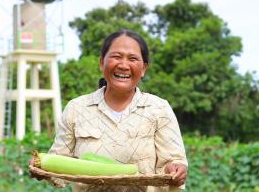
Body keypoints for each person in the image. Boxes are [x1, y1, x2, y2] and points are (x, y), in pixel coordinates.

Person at [32, 29, 188, 192]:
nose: (123, 65)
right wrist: (43, 168)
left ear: (143, 69)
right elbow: (59, 164)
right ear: (101, 63)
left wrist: (176, 170)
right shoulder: (76, 109)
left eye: (133, 58)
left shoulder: (159, 109)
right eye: (116, 57)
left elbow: (173, 161)